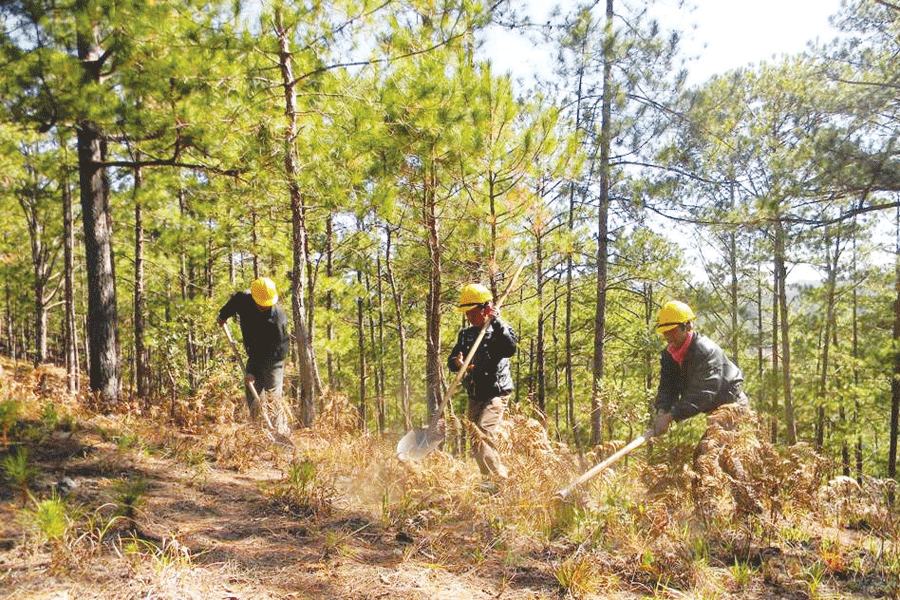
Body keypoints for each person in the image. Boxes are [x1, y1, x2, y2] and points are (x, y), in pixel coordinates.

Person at [649, 300, 758, 515]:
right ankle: (744, 507)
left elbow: (703, 393)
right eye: (665, 333)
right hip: (714, 407)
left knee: (706, 454)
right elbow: (667, 387)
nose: (669, 338)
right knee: (719, 455)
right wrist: (661, 411)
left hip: (732, 404)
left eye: (672, 332)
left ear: (687, 327)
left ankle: (719, 511)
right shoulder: (669, 355)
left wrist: (671, 416)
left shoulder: (705, 351)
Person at [448, 282, 518, 490]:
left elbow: (509, 348)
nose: (470, 316)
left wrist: (496, 322)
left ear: (484, 308)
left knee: (484, 433)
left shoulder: (500, 330)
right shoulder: (465, 335)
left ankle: (500, 480)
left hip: (496, 392)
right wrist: (457, 364)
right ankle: (487, 481)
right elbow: (452, 360)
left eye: (473, 312)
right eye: (467, 313)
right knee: (475, 439)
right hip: (475, 393)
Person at [217, 277, 290, 423]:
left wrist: (254, 371)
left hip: (274, 358)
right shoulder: (244, 299)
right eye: (261, 304)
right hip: (254, 352)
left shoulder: (277, 319)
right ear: (253, 297)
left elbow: (273, 350)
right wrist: (223, 315)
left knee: (272, 398)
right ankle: (258, 429)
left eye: (267, 304)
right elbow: (233, 304)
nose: (264, 307)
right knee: (252, 395)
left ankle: (277, 431)